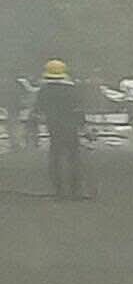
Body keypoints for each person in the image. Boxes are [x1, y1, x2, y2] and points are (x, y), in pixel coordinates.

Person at [35, 60, 85, 199]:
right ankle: (75, 189)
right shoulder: (71, 89)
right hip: (71, 126)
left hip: (54, 127)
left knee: (56, 156)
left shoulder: (44, 90)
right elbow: (78, 108)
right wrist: (82, 124)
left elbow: (38, 108)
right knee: (73, 157)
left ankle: (59, 189)